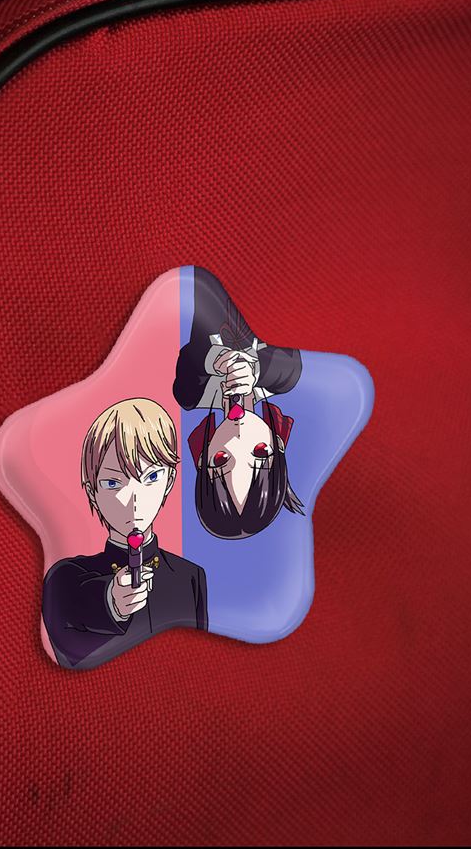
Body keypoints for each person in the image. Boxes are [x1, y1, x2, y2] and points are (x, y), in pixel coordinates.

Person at [42, 398, 208, 669]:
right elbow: (73, 621)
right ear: (92, 491)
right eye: (112, 482)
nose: (134, 498)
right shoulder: (66, 577)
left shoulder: (190, 577)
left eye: (151, 477)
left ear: (170, 481)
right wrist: (111, 601)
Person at [173, 266, 304, 540]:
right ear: (278, 445)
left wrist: (217, 360)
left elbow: (189, 362)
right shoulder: (283, 378)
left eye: (221, 459)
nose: (237, 439)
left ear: (203, 457)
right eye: (260, 452)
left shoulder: (191, 394)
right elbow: (290, 365)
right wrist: (255, 369)